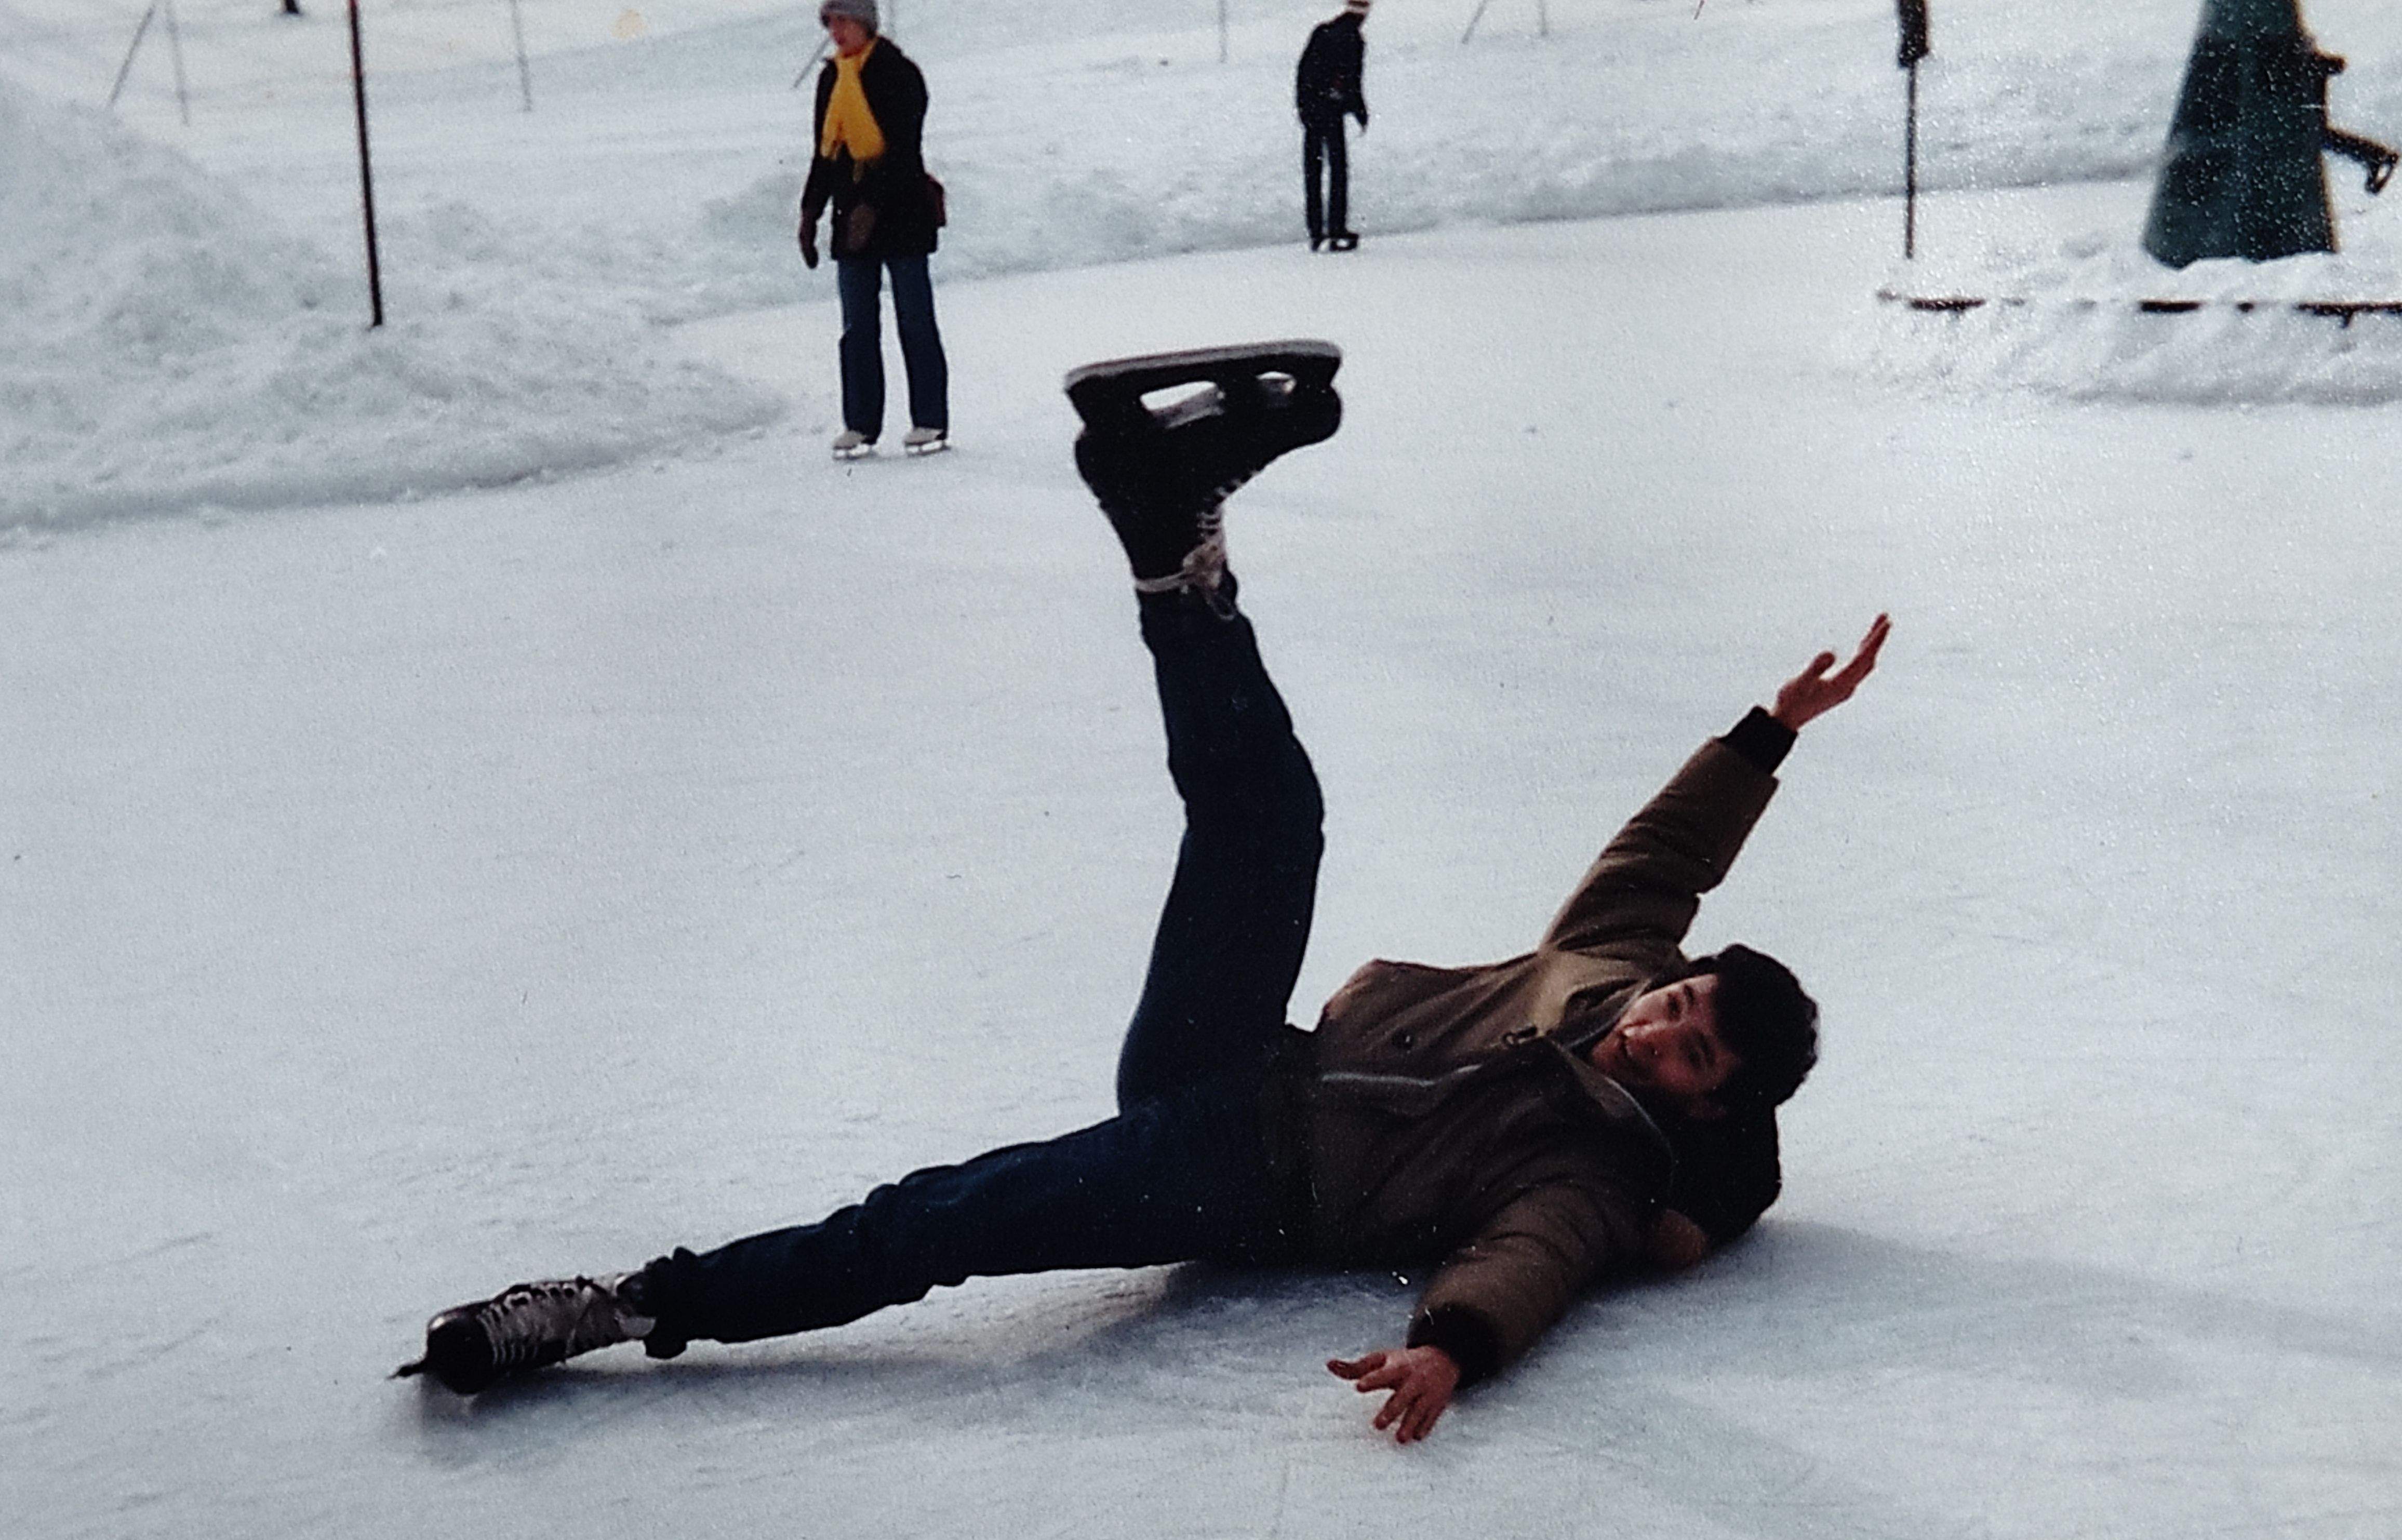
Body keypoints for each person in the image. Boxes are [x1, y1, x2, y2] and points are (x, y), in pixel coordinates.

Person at [399, 340, 1889, 1442]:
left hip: (1241, 1182)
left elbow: (1533, 1262)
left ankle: (624, 1305)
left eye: (1689, 1049)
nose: (1657, 1028)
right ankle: (1178, 551)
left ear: (1707, 1103)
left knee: (949, 1218)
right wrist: (1771, 734)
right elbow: (1665, 856)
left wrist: (1452, 1347)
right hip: (1246, 1054)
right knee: (1273, 819)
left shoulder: (1601, 1173)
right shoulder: (1611, 972)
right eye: (1679, 1003)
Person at [797, 0, 950, 460]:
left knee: (914, 321)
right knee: (857, 326)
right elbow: (824, 155)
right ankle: (861, 424)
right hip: (851, 218)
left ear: (866, 23)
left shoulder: (899, 73)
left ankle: (930, 420)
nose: (836, 31)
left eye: (843, 21)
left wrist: (872, 207)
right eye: (830, 23)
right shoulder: (832, 78)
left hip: (901, 213)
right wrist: (810, 214)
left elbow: (904, 152)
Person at [1296, 0, 1371, 251]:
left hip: (1313, 111)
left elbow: (1304, 72)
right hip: (1332, 113)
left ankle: (1316, 230)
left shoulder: (1322, 32)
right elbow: (1353, 81)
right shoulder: (1355, 40)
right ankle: (1336, 227)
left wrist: (1304, 107)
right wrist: (1360, 112)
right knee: (1338, 170)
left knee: (1313, 170)